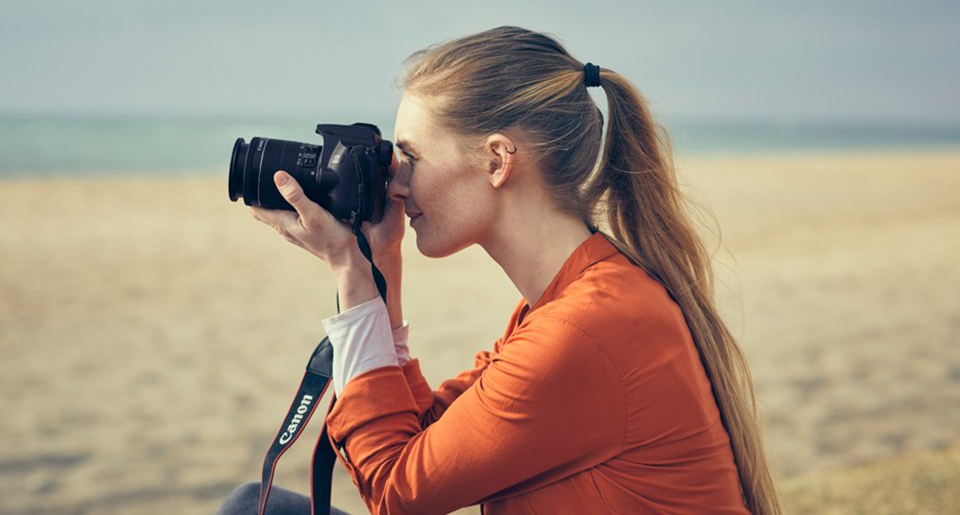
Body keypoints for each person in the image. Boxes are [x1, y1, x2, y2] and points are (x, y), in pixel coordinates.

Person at [219, 26, 782, 514]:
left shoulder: (586, 328)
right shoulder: (567, 304)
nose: (395, 182)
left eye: (411, 157)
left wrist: (351, 271)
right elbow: (425, 435)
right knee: (255, 507)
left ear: (496, 159)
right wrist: (381, 266)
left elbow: (397, 491)